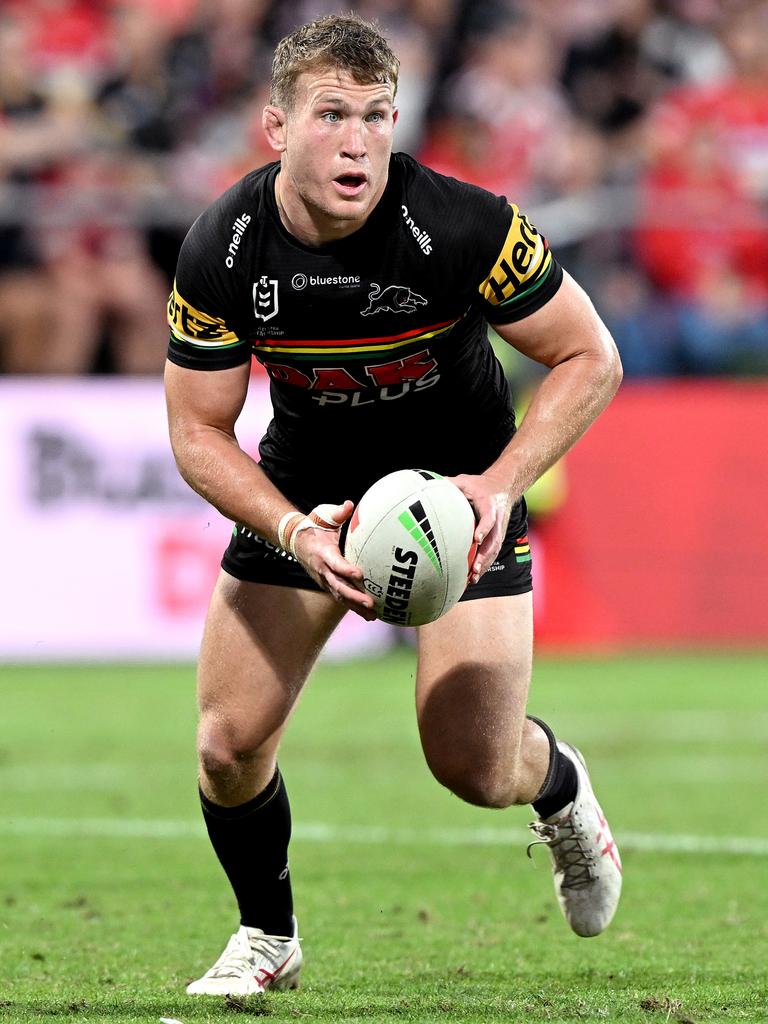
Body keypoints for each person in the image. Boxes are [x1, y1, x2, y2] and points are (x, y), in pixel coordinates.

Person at [164, 13, 624, 999]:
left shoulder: (462, 224)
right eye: (332, 114)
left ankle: (560, 787)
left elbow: (592, 356)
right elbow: (198, 431)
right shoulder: (223, 249)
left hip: (458, 500)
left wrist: (499, 486)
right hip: (307, 497)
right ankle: (267, 936)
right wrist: (289, 525)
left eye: (377, 115)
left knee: (472, 765)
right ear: (275, 126)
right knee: (226, 743)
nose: (358, 140)